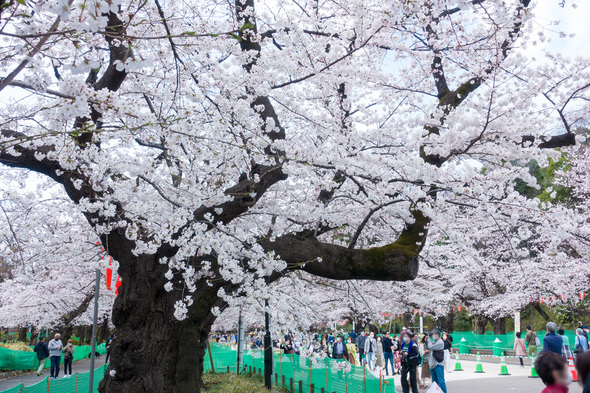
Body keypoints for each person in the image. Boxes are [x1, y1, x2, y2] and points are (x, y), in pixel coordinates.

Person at [429, 329, 447, 393]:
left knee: (441, 381)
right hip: (433, 364)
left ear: (437, 335)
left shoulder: (440, 342)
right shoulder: (434, 341)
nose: (432, 336)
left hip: (438, 364)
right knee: (434, 383)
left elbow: (430, 347)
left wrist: (428, 339)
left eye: (433, 334)